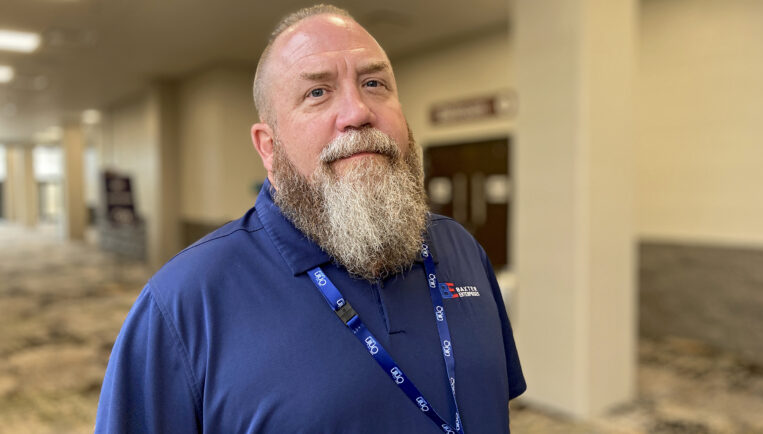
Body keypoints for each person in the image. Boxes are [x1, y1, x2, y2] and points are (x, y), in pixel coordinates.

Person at [95, 4, 525, 433]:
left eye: (374, 83)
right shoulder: (182, 302)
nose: (358, 112)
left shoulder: (461, 249)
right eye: (317, 92)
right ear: (268, 146)